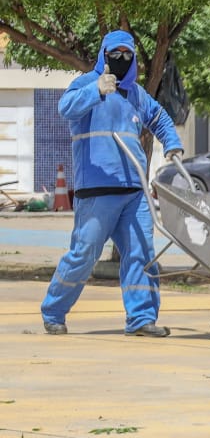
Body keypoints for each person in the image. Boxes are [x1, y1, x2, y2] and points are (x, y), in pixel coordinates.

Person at [40, 32, 184, 337]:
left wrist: (172, 143)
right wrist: (97, 89)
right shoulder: (84, 83)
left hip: (134, 191)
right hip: (97, 189)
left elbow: (159, 117)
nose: (121, 60)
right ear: (103, 55)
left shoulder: (136, 94)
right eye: (114, 54)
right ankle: (53, 311)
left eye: (126, 55)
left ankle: (141, 318)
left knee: (142, 254)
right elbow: (65, 108)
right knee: (84, 254)